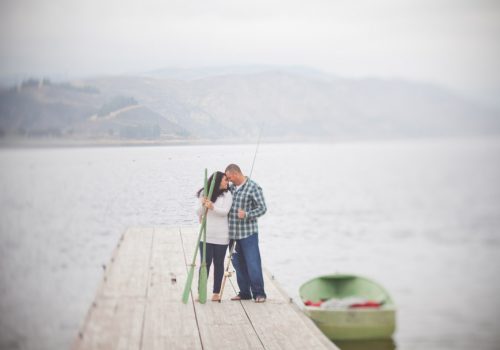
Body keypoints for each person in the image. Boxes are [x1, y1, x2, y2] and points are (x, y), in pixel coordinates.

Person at [225, 164, 267, 303]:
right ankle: (244, 293)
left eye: (230, 177)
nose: (229, 180)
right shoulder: (230, 188)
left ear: (236, 174)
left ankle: (259, 293)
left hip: (248, 234)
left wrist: (247, 214)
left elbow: (262, 208)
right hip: (232, 235)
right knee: (238, 265)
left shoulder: (253, 187)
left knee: (253, 264)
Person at [196, 171, 233, 302]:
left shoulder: (228, 194)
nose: (227, 182)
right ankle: (201, 292)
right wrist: (203, 204)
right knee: (205, 264)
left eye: (227, 180)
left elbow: (225, 212)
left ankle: (216, 292)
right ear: (217, 181)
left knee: (218, 264)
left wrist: (212, 207)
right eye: (225, 180)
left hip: (222, 236)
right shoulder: (204, 193)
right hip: (206, 235)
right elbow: (198, 212)